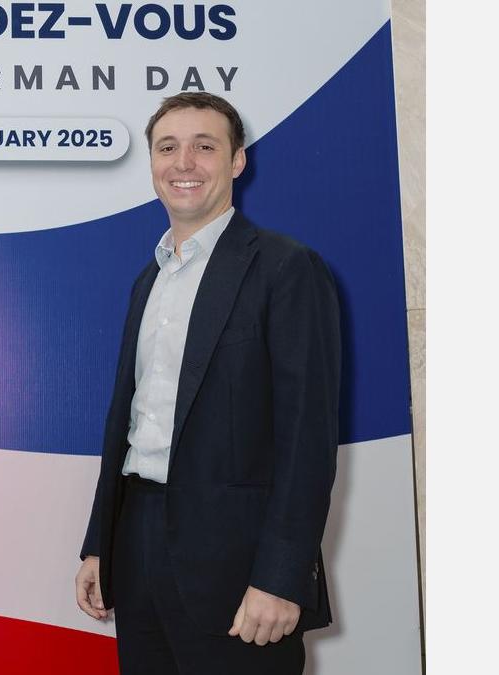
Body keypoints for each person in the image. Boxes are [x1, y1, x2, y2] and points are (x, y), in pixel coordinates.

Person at [74, 92, 339, 674]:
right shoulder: (148, 280)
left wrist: (281, 576)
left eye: (204, 146)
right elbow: (130, 423)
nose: (184, 163)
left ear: (237, 160)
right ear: (151, 163)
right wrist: (101, 543)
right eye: (167, 147)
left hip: (237, 568)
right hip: (137, 545)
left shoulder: (285, 268)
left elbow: (307, 440)